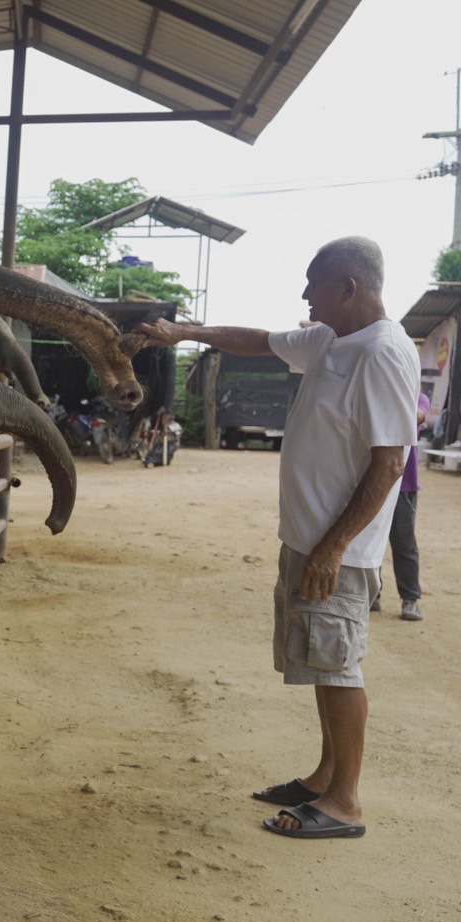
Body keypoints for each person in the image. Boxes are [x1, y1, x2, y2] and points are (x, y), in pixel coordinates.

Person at [138, 236, 418, 840]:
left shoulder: (382, 353)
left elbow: (390, 463)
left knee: (338, 666)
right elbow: (259, 340)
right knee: (321, 660)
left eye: (313, 284)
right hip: (309, 540)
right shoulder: (331, 339)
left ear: (348, 287)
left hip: (337, 551)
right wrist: (186, 332)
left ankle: (345, 803)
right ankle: (324, 777)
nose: (304, 295)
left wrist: (334, 546)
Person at [376, 393, 430, 621]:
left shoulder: (419, 398)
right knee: (370, 539)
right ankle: (372, 593)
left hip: (403, 486)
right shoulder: (378, 394)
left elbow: (418, 415)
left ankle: (410, 599)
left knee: (404, 543)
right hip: (374, 480)